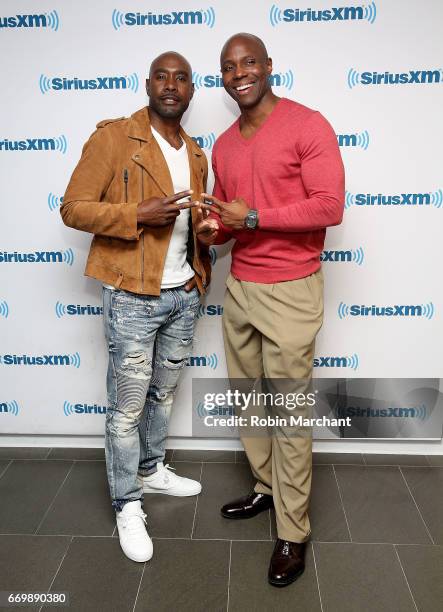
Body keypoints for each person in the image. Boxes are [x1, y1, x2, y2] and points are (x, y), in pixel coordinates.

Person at [196, 33, 345, 586]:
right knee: (247, 400)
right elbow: (230, 219)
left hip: (291, 289)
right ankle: (267, 488)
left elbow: (330, 206)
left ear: (269, 67)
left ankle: (294, 528)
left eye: (249, 62)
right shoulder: (225, 144)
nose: (239, 74)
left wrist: (252, 217)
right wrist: (215, 231)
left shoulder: (309, 124)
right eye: (229, 67)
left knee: (288, 413)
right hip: (242, 288)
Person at [61, 51, 212, 563]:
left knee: (163, 397)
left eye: (182, 78)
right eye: (162, 76)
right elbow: (73, 207)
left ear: (193, 89)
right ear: (148, 83)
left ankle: (151, 471)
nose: (172, 85)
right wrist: (136, 214)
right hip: (132, 295)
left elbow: (192, 226)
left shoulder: (195, 152)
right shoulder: (114, 137)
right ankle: (127, 502)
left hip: (182, 295)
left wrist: (205, 240)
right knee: (127, 407)